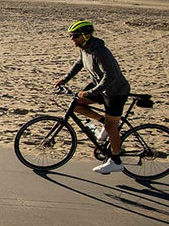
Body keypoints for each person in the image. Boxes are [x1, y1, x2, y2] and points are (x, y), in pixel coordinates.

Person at [54, 20, 131, 174]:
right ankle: (103, 122)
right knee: (76, 104)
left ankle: (116, 161)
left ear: (87, 35)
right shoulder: (85, 48)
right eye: (70, 36)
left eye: (75, 36)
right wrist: (65, 79)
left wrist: (91, 92)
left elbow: (111, 76)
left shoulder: (100, 52)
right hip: (101, 89)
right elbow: (79, 64)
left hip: (116, 91)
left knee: (112, 127)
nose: (72, 39)